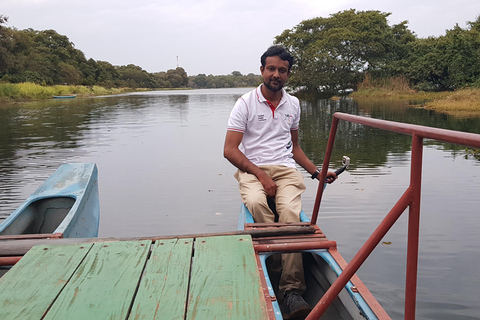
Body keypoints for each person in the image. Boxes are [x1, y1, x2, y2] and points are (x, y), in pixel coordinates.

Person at [223, 45, 336, 319]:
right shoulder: (245, 103)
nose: (276, 74)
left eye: (282, 70)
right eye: (271, 68)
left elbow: (294, 148)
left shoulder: (293, 104)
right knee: (256, 203)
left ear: (288, 75)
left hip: (285, 170)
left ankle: (291, 289)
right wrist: (260, 175)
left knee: (289, 215)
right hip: (252, 169)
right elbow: (230, 150)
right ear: (262, 70)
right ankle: (274, 266)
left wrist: (316, 172)